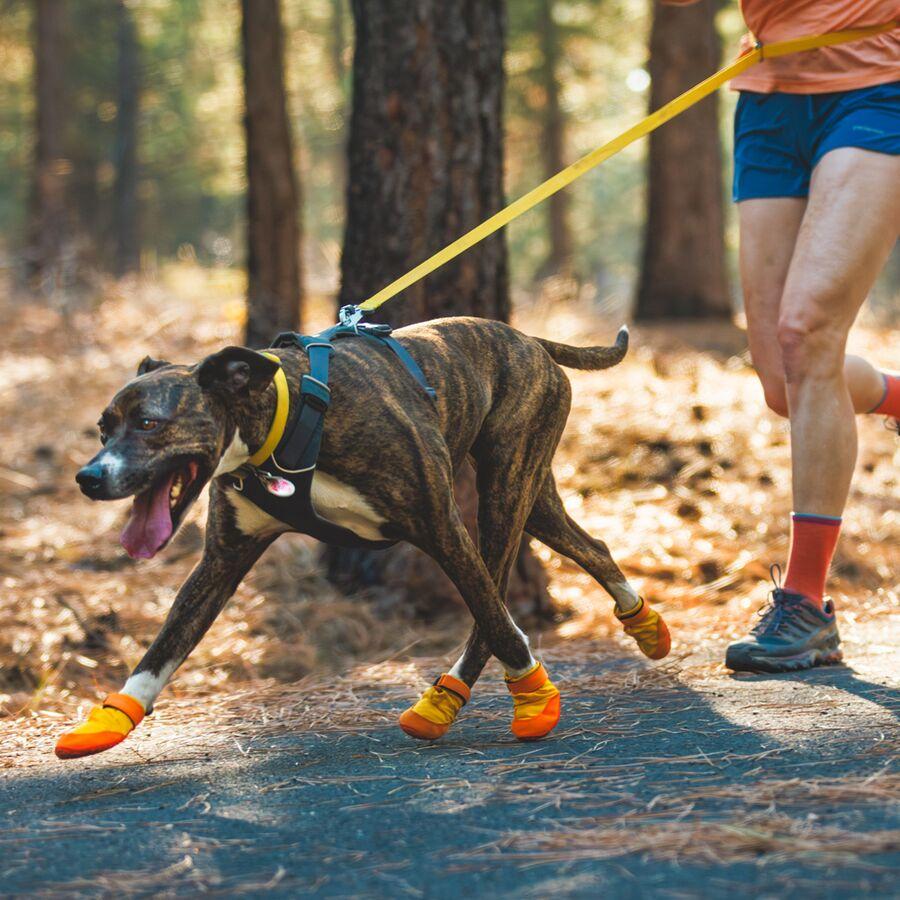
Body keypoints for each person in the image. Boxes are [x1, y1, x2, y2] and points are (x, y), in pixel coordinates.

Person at [662, 1, 899, 671]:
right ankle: (896, 396)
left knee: (806, 329)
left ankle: (804, 603)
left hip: (880, 85)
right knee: (781, 378)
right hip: (770, 96)